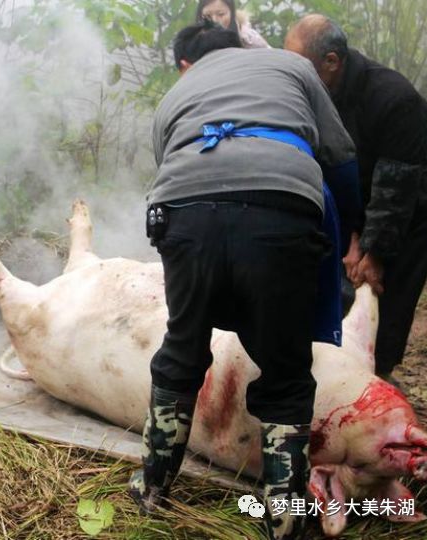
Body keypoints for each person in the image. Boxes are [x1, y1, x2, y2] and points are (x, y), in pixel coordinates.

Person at [127, 21, 360, 540]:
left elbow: (169, 165)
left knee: (182, 348)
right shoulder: (295, 66)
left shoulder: (180, 89)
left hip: (185, 215)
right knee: (285, 368)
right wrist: (353, 229)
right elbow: (341, 160)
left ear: (191, 63)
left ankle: (151, 486)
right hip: (280, 212)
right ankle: (285, 521)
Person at [285, 15, 427, 383]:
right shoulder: (312, 95)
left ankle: (378, 374)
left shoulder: (394, 98)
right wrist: (350, 236)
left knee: (388, 290)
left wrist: (374, 252)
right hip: (354, 194)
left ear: (332, 61)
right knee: (337, 281)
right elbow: (326, 169)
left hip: (411, 203)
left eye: (300, 63)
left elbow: (393, 193)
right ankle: (331, 366)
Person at [196, 0, 270, 49]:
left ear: (232, 14)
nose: (214, 20)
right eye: (207, 16)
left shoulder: (249, 39)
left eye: (221, 14)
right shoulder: (194, 41)